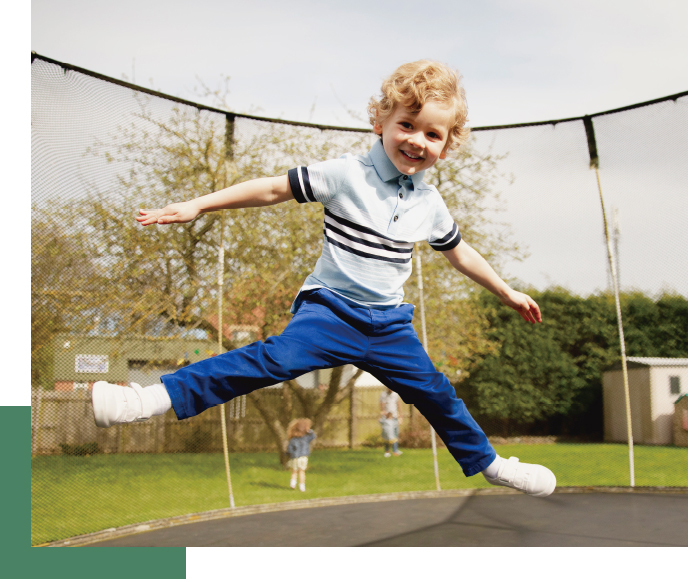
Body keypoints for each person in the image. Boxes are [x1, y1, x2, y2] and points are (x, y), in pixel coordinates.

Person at [91, 60, 556, 497]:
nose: (417, 141)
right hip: (331, 312)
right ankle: (144, 401)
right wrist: (199, 204)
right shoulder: (346, 174)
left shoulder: (429, 203)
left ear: (446, 144)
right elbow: (272, 188)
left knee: (437, 392)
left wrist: (506, 291)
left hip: (389, 325)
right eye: (407, 125)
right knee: (268, 362)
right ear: (381, 122)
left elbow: (459, 251)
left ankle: (490, 464)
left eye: (432, 134)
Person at [286, 418, 316, 492]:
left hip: (295, 457)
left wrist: (289, 454)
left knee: (294, 471)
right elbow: (313, 436)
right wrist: (309, 431)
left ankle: (293, 483)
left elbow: (289, 449)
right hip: (303, 457)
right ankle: (302, 486)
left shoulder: (293, 439)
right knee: (302, 471)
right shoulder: (306, 438)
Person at [380, 387, 402, 456]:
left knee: (395, 434)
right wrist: (384, 412)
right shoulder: (383, 394)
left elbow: (398, 404)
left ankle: (395, 450)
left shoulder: (395, 394)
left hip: (395, 417)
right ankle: (387, 451)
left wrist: (400, 415)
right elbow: (382, 404)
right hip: (387, 418)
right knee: (387, 435)